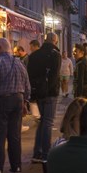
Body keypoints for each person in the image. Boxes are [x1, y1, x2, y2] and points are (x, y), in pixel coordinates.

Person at [0, 38, 31, 173]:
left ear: (0, 48)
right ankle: (16, 167)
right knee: (14, 136)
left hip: (1, 101)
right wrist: (25, 102)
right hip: (18, 101)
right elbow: (27, 85)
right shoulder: (20, 63)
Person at [27, 32, 61, 164]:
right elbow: (54, 75)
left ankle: (37, 152)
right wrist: (49, 89)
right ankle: (46, 154)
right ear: (54, 41)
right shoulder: (55, 54)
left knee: (42, 122)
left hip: (38, 92)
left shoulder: (34, 55)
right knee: (48, 122)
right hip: (50, 93)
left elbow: (30, 74)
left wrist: (34, 92)